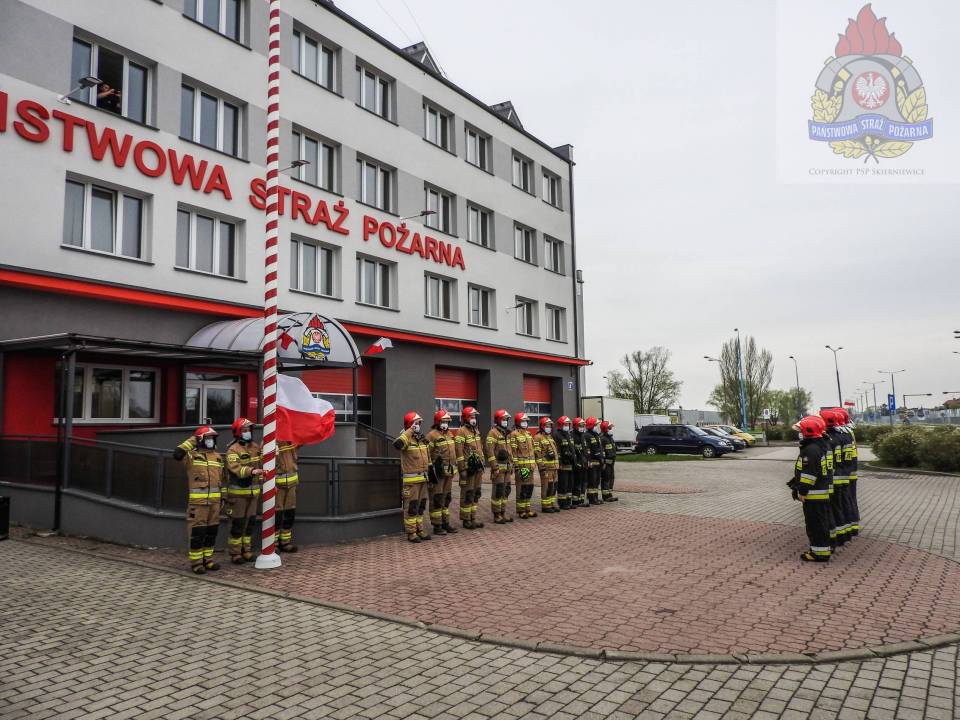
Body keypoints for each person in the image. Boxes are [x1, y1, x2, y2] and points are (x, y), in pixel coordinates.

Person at [173, 426, 225, 574]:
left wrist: (224, 498)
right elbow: (177, 453)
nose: (211, 440)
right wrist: (194, 438)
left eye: (212, 438)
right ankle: (196, 563)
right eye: (207, 438)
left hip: (214, 504)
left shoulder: (218, 457)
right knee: (197, 533)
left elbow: (223, 480)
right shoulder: (191, 456)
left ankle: (208, 560)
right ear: (201, 440)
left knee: (211, 533)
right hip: (198, 505)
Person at [789, 416, 833, 562]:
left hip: (814, 495)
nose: (799, 433)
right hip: (819, 494)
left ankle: (819, 553)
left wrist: (802, 491)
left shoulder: (811, 450)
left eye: (801, 431)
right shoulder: (818, 446)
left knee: (815, 525)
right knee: (819, 524)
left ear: (808, 432)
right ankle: (821, 550)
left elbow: (809, 474)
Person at [224, 417, 263, 564]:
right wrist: (251, 471)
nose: (248, 432)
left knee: (249, 524)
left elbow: (262, 463)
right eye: (245, 430)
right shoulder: (233, 449)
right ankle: (235, 553)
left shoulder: (255, 447)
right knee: (237, 524)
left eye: (249, 430)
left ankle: (246, 550)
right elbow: (236, 469)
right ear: (238, 432)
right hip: (238, 495)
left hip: (253, 494)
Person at [394, 411, 431, 542]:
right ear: (410, 424)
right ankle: (411, 533)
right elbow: (397, 444)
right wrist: (409, 431)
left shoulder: (421, 439)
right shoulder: (405, 439)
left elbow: (428, 458)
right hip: (411, 482)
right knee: (411, 507)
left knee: (420, 507)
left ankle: (420, 530)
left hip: (423, 480)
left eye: (419, 423)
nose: (418, 425)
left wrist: (431, 474)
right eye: (416, 423)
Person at [427, 410, 459, 536]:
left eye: (447, 421)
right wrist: (431, 471)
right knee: (437, 498)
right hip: (438, 474)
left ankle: (445, 522)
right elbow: (427, 454)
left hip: (449, 473)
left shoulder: (449, 434)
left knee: (446, 498)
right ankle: (437, 525)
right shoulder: (431, 435)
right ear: (438, 422)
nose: (445, 424)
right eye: (443, 421)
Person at [821, 408, 850, 546]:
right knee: (841, 506)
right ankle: (843, 534)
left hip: (833, 478)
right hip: (843, 474)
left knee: (833, 509)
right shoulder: (843, 436)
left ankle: (835, 538)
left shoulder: (829, 440)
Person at [455, 406, 485, 530]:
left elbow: (479, 448)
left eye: (474, 417)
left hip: (478, 468)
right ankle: (466, 519)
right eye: (471, 417)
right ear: (466, 418)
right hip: (468, 470)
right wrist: (462, 469)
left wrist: (482, 462)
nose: (474, 419)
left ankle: (473, 518)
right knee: (467, 493)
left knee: (476, 493)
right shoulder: (461, 431)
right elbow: (459, 452)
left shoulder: (476, 431)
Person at [485, 409, 514, 524]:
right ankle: (497, 515)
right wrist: (494, 467)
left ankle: (503, 512)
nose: (505, 421)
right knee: (498, 490)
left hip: (507, 468)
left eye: (507, 419)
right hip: (498, 469)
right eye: (503, 419)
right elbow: (489, 451)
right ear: (498, 420)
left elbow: (510, 450)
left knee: (506, 491)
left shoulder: (507, 433)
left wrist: (511, 464)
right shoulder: (493, 433)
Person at [509, 411, 538, 519]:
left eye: (526, 421)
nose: (525, 423)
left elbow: (532, 451)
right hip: (521, 467)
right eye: (523, 421)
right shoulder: (514, 434)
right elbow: (513, 452)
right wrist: (516, 466)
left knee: (529, 488)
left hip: (530, 467)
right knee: (521, 489)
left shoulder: (528, 434)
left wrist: (534, 463)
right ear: (518, 422)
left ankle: (527, 509)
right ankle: (521, 511)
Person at [838, 408, 861, 537]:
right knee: (850, 500)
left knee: (846, 500)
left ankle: (850, 527)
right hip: (850, 471)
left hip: (846, 472)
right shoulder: (849, 431)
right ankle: (853, 525)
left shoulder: (843, 434)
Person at [275, 439, 300, 552]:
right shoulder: (270, 442)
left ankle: (285, 542)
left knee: (290, 513)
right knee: (277, 515)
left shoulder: (291, 440)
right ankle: (273, 544)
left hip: (292, 485)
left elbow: (303, 439)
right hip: (277, 487)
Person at [533, 417, 560, 513]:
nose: (549, 428)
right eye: (547, 426)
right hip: (546, 468)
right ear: (542, 426)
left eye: (550, 426)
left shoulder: (550, 437)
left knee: (553, 486)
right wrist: (542, 467)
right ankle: (545, 506)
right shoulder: (538, 437)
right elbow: (537, 454)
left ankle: (552, 503)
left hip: (554, 467)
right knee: (547, 486)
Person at [555, 416, 576, 509]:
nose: (567, 426)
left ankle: (568, 502)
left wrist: (574, 459)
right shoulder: (557, 435)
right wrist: (559, 463)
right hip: (563, 465)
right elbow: (557, 450)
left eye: (568, 424)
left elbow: (572, 448)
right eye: (565, 424)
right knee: (563, 484)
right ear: (561, 425)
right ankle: (562, 503)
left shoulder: (569, 434)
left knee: (570, 484)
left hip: (570, 463)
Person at [584, 417, 604, 505]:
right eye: (596, 425)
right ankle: (591, 498)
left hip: (598, 461)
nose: (597, 427)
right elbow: (587, 450)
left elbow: (599, 448)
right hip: (592, 462)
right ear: (591, 425)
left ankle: (595, 497)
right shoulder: (587, 435)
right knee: (592, 481)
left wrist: (601, 459)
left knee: (596, 481)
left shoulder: (596, 435)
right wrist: (588, 461)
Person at [599, 421, 619, 502]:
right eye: (609, 428)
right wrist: (603, 462)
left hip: (611, 462)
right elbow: (602, 451)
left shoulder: (610, 437)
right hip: (606, 463)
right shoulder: (602, 438)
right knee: (606, 478)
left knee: (611, 478)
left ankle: (610, 494)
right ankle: (605, 496)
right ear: (605, 429)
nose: (611, 429)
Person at [571, 417, 588, 507]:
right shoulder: (572, 436)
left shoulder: (582, 435)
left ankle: (581, 500)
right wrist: (576, 462)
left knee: (583, 482)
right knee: (577, 483)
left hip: (583, 463)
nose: (582, 427)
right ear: (575, 426)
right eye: (580, 425)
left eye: (583, 425)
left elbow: (584, 450)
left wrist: (587, 460)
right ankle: (575, 501)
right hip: (576, 464)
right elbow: (573, 451)